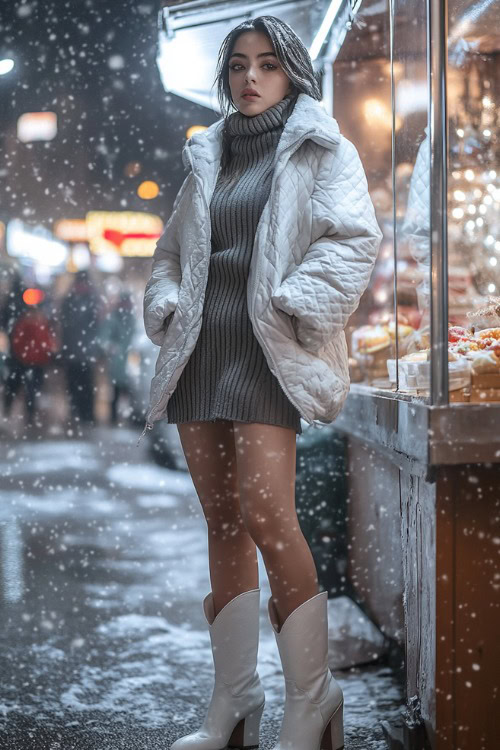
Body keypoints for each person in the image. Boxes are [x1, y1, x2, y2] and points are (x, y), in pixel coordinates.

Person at [143, 15, 382, 750]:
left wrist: (294, 300)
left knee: (269, 517)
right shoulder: (207, 156)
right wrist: (167, 300)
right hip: (200, 354)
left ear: (293, 73)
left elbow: (354, 240)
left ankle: (312, 698)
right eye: (239, 65)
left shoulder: (320, 148)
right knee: (221, 523)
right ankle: (235, 702)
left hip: (264, 354)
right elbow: (169, 254)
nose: (250, 78)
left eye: (268, 64)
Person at [60, 270, 100, 425]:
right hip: (78, 351)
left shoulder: (75, 300)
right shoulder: (84, 300)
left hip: (81, 352)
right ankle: (80, 413)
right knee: (78, 384)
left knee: (82, 384)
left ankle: (83, 414)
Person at [98, 289, 136, 425]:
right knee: (116, 392)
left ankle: (130, 417)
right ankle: (114, 418)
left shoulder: (132, 319)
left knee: (131, 391)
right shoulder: (113, 319)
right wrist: (112, 348)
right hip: (118, 362)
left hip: (131, 361)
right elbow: (103, 339)